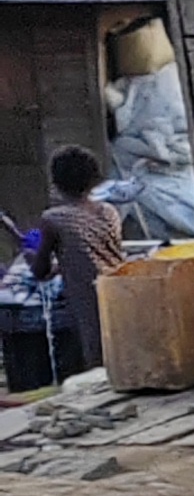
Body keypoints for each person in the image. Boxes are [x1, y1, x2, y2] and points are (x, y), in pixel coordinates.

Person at [32, 146, 125, 380]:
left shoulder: (54, 219)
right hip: (121, 289)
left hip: (87, 296)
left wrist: (31, 257)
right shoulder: (109, 211)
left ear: (56, 182)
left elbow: (40, 271)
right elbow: (91, 251)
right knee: (122, 350)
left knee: (97, 357)